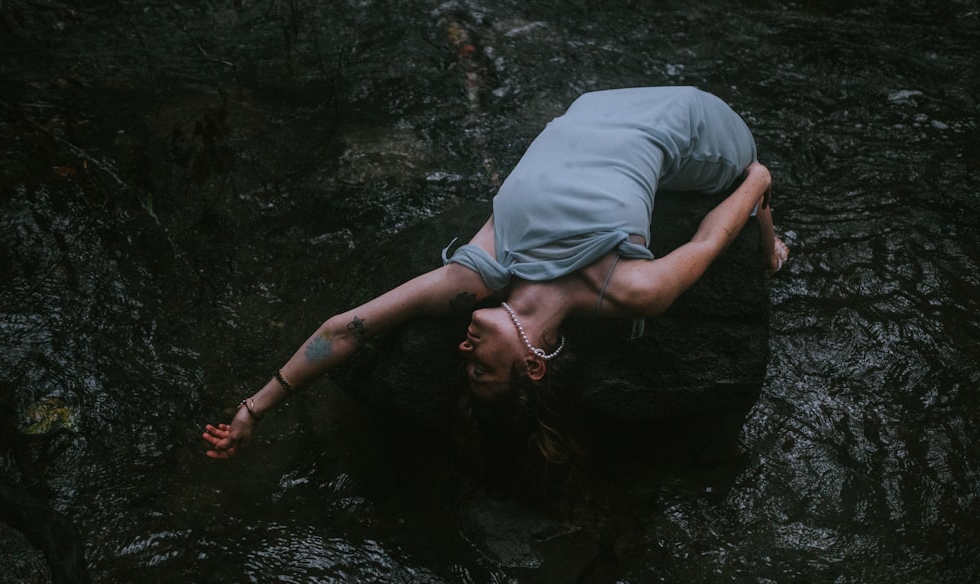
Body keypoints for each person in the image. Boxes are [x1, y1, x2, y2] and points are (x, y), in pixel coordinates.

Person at [203, 86, 788, 460]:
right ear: (533, 363)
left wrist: (253, 409)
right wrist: (758, 185)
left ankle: (769, 245)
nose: (464, 345)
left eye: (466, 360)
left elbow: (348, 329)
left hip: (601, 104)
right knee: (742, 216)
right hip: (711, 137)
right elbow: (712, 237)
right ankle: (769, 247)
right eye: (481, 366)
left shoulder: (483, 272)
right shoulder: (634, 289)